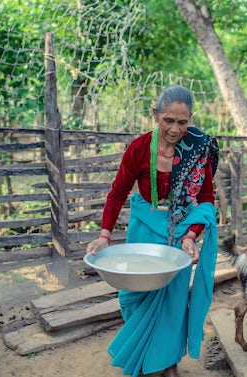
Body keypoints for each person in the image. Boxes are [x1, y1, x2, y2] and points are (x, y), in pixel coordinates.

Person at [85, 85, 219, 377]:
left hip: (180, 232)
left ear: (190, 119)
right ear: (155, 114)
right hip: (145, 226)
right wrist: (105, 234)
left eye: (182, 122)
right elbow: (117, 193)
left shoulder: (198, 149)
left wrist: (191, 235)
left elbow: (207, 199)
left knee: (172, 299)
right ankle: (144, 358)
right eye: (168, 120)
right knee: (133, 295)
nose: (174, 129)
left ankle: (168, 363)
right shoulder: (139, 148)